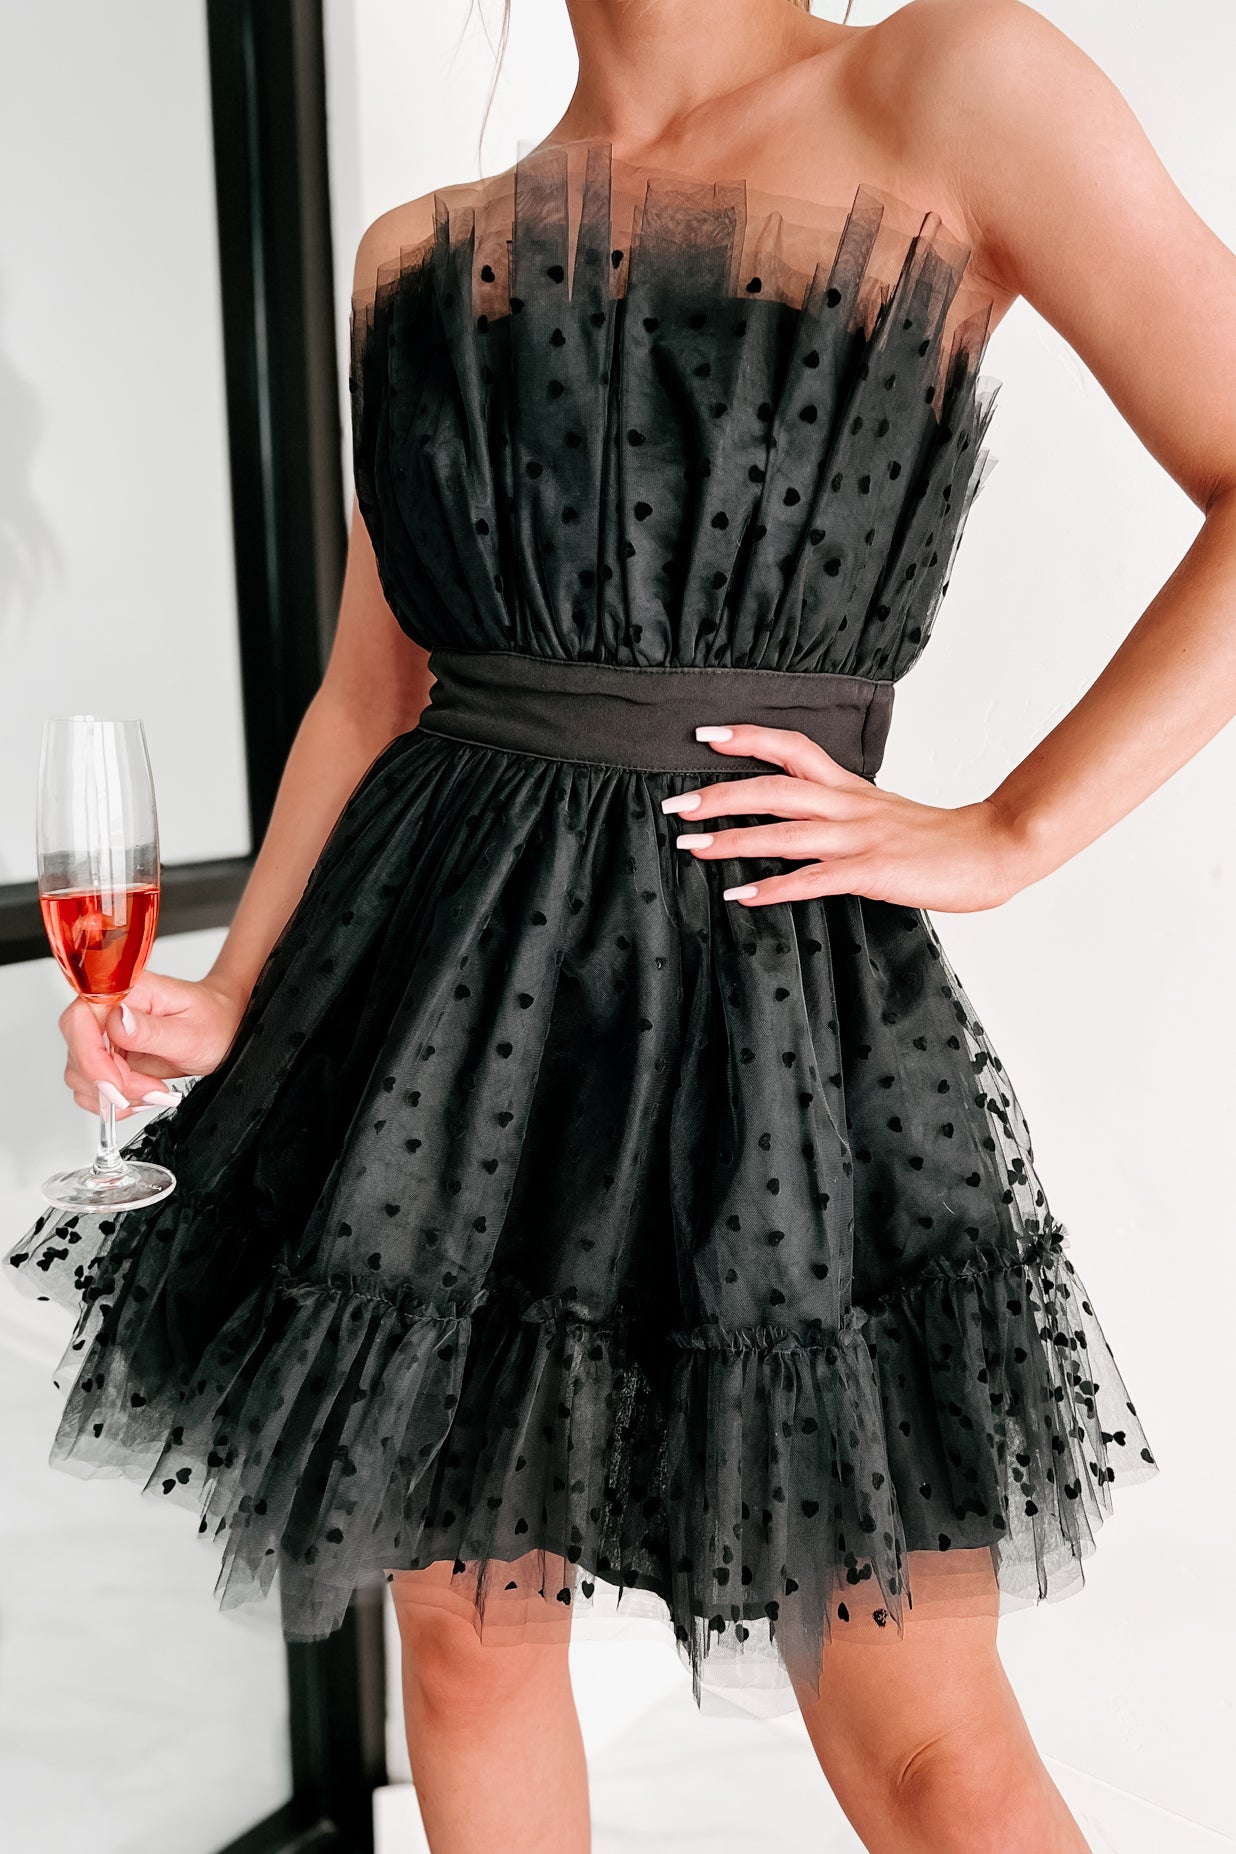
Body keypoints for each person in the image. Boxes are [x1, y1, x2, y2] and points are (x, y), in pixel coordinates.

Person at [8, 0, 1236, 1849]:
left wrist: (1010, 830)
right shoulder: (418, 252)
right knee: (463, 1652)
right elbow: (375, 691)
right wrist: (238, 985)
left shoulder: (949, 84)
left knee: (920, 1732)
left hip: (770, 1009)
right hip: (441, 1017)